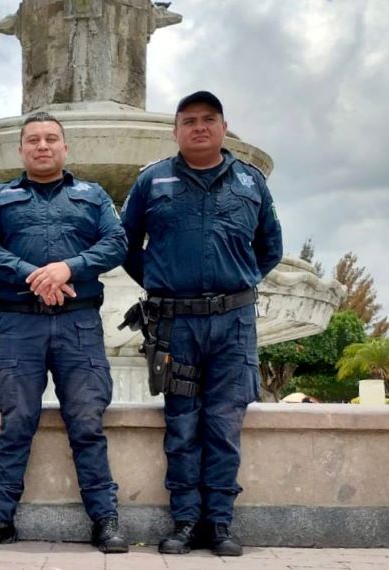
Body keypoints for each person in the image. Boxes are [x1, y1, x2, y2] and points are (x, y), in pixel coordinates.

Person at [120, 91, 283, 556]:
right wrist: (160, 280)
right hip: (175, 327)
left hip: (233, 326)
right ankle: (186, 522)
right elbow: (127, 244)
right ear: (175, 130)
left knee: (224, 426)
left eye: (208, 119)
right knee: (182, 425)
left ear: (223, 127)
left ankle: (221, 524)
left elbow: (269, 246)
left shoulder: (250, 184)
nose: (199, 127)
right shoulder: (152, 181)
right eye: (189, 120)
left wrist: (238, 285)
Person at [0, 112, 129, 553]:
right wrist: (34, 274)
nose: (42, 146)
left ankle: (105, 520)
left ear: (65, 148)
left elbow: (117, 243)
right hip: (20, 324)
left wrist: (68, 268)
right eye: (33, 140)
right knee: (16, 422)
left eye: (51, 139)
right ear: (21, 149)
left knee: (88, 422)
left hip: (79, 325)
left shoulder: (93, 196)